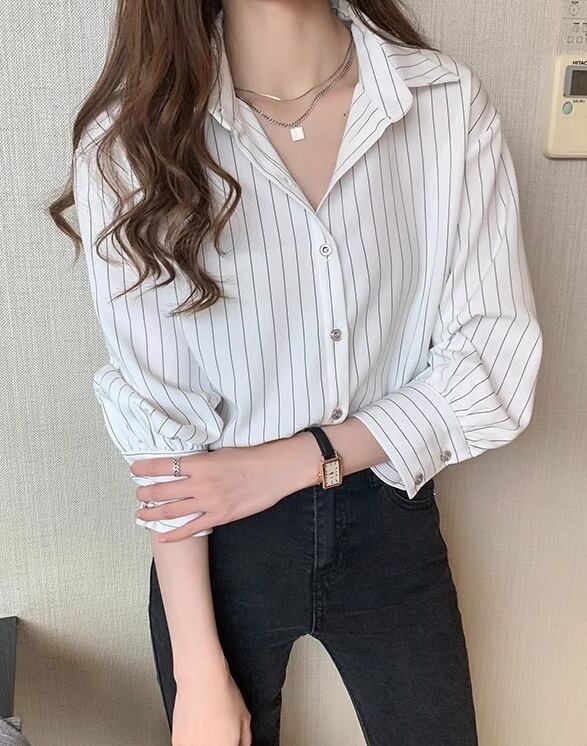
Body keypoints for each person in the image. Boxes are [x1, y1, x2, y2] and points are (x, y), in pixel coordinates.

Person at [49, 0, 543, 744]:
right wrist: (197, 672)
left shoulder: (442, 102)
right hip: (219, 543)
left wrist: (293, 461)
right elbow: (160, 427)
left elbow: (491, 362)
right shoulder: (131, 145)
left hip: (390, 509)